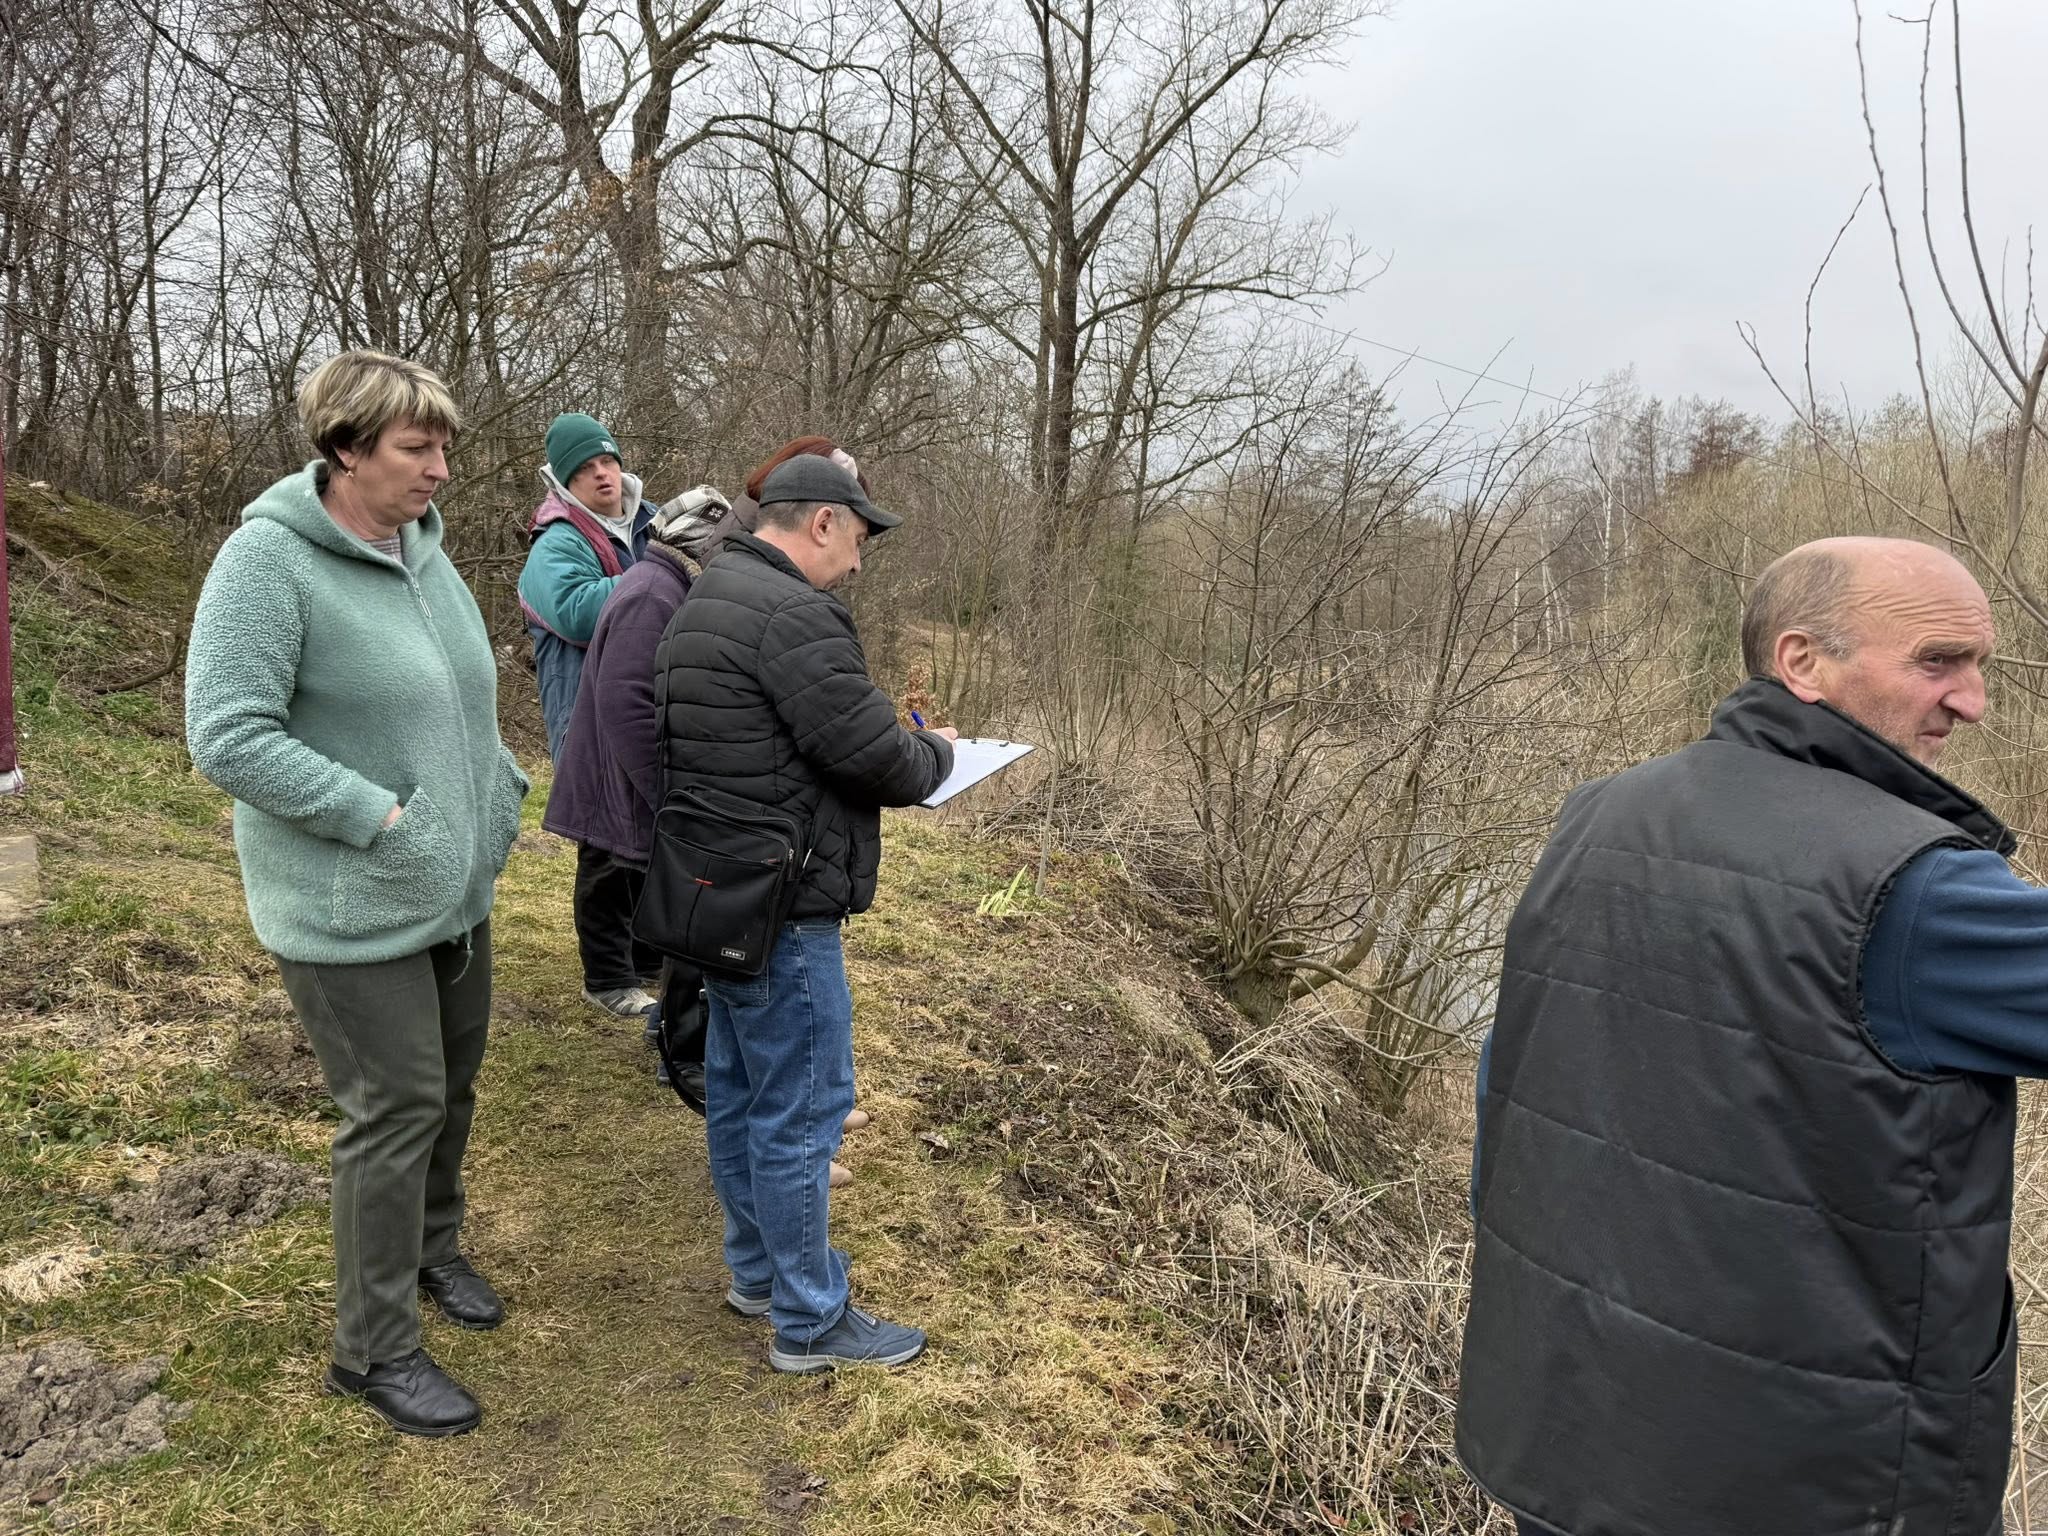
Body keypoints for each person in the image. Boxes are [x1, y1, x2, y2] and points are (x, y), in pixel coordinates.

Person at [1458, 537, 2019, 1536]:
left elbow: (1508, 1090)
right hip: (1807, 1481)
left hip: (1567, 1433)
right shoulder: (1912, 890)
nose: (1971, 701)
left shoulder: (1597, 814)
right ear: (1801, 661)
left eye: (1977, 664)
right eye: (1937, 661)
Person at [185, 350, 528, 1438]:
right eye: (416, 448)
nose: (439, 470)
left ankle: (431, 1248)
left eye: (444, 449)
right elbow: (227, 735)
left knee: (450, 1087)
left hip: (451, 891)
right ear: (344, 448)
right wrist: (379, 818)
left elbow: (461, 704)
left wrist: (497, 794)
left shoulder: (425, 553)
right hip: (347, 902)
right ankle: (372, 1351)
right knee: (394, 1109)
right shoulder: (268, 562)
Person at [653, 455, 955, 1372]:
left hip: (719, 894)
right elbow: (879, 760)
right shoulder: (794, 615)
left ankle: (758, 1273)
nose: (858, 562)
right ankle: (812, 1320)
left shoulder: (708, 593)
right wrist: (941, 753)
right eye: (857, 539)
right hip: (786, 906)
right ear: (821, 522)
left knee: (741, 1092)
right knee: (803, 1110)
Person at [542, 486, 730, 1107]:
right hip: (617, 774)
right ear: (697, 545)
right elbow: (627, 702)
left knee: (651, 886)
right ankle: (618, 987)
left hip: (629, 776)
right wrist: (664, 790)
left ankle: (655, 995)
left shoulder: (666, 585)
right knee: (612, 872)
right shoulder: (652, 594)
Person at [517, 411, 666, 1022]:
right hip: (586, 715)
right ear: (563, 479)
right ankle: (607, 976)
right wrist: (661, 576)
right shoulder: (556, 543)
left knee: (653, 831)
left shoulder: (652, 523)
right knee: (607, 842)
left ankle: (646, 955)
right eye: (585, 467)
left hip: (645, 705)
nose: (602, 473)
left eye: (607, 460)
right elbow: (578, 613)